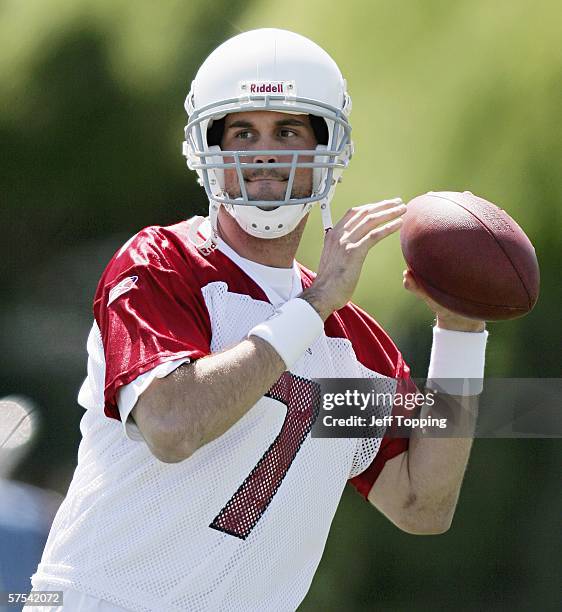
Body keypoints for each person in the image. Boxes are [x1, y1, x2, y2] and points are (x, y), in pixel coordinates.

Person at [30, 28, 488, 611]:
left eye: (289, 131)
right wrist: (313, 306)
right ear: (209, 150)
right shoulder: (161, 264)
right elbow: (172, 426)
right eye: (242, 132)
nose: (264, 154)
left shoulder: (355, 347)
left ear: (329, 151)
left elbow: (422, 504)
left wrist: (461, 332)